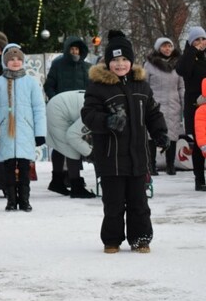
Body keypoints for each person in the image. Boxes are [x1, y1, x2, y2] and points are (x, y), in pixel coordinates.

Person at [82, 30, 167, 253]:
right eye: (115, 60)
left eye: (124, 60)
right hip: (111, 158)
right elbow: (88, 115)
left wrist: (160, 132)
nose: (120, 64)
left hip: (138, 156)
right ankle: (112, 239)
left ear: (131, 62)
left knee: (139, 203)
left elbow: (153, 113)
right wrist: (108, 120)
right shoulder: (98, 88)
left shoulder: (141, 86)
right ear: (108, 62)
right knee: (114, 203)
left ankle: (141, 239)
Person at [0, 43, 46, 212]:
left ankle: (25, 200)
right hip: (6, 131)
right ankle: (11, 200)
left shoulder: (31, 82)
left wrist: (39, 132)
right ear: (6, 61)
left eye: (18, 59)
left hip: (25, 131)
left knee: (24, 167)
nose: (15, 62)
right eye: (11, 59)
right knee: (8, 168)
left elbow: (38, 108)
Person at [144, 37, 184, 175]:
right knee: (151, 134)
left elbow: (181, 87)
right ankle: (151, 165)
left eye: (170, 46)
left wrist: (183, 104)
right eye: (164, 46)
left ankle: (170, 165)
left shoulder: (178, 64)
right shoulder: (149, 65)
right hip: (154, 103)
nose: (167, 49)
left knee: (172, 135)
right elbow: (144, 85)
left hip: (173, 104)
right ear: (158, 48)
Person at [46, 90, 96, 198]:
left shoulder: (98, 105)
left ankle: (57, 182)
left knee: (60, 145)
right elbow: (72, 135)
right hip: (59, 110)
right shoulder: (93, 113)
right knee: (71, 145)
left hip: (57, 104)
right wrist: (91, 154)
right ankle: (76, 187)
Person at [175, 26, 206, 191]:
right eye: (197, 40)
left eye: (203, 39)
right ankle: (199, 179)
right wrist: (192, 51)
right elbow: (182, 70)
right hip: (195, 106)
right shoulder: (188, 57)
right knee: (199, 143)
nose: (201, 43)